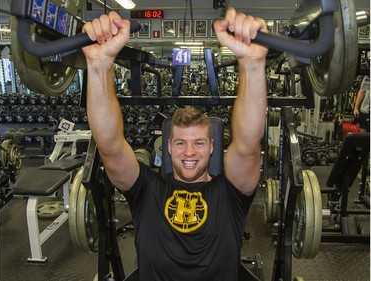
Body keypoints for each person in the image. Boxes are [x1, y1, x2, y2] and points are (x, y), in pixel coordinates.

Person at [82, 7, 268, 281]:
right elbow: (109, 144)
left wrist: (252, 65)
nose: (189, 152)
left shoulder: (230, 193)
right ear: (167, 148)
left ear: (213, 146)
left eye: (199, 143)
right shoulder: (146, 189)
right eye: (180, 143)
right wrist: (99, 65)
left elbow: (248, 143)